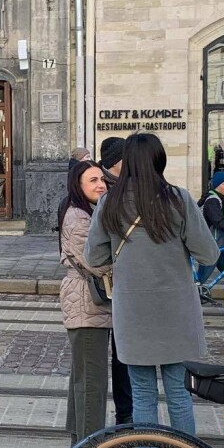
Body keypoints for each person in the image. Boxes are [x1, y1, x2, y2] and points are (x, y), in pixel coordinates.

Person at [85, 133, 219, 448]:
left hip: (134, 312)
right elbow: (207, 253)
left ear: (125, 162)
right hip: (177, 310)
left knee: (142, 394)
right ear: (160, 161)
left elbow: (93, 257)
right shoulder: (179, 199)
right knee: (179, 394)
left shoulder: (109, 202)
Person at [59, 162, 113, 447]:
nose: (100, 184)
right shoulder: (78, 218)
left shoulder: (86, 212)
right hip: (86, 303)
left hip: (85, 302)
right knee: (92, 380)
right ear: (77, 185)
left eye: (102, 179)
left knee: (82, 377)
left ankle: (78, 441)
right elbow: (96, 261)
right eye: (92, 180)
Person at [98, 137, 132, 426]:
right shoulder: (105, 193)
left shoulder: (128, 189)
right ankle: (125, 418)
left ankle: (127, 416)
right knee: (120, 359)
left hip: (125, 290)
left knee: (127, 358)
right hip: (111, 290)